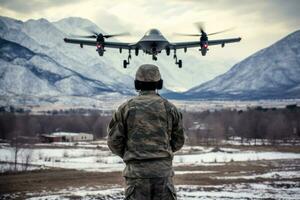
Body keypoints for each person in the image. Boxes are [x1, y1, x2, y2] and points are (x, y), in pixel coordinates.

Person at [107, 64, 185, 200]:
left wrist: (133, 155)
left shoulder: (126, 108)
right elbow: (178, 141)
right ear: (159, 83)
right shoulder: (170, 108)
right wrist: (161, 153)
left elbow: (114, 142)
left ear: (137, 84)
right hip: (163, 174)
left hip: (136, 175)